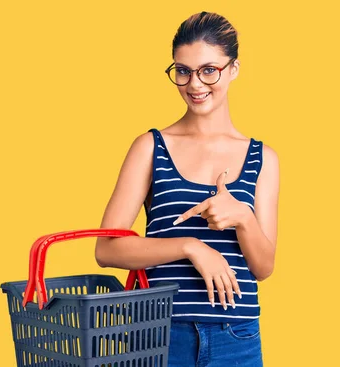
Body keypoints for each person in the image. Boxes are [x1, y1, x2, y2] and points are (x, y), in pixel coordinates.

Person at [95, 11, 279, 367]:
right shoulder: (150, 147)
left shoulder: (263, 158)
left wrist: (242, 217)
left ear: (234, 69)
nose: (195, 84)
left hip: (236, 336)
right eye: (183, 71)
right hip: (159, 333)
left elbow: (264, 266)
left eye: (209, 70)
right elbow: (107, 250)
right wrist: (190, 247)